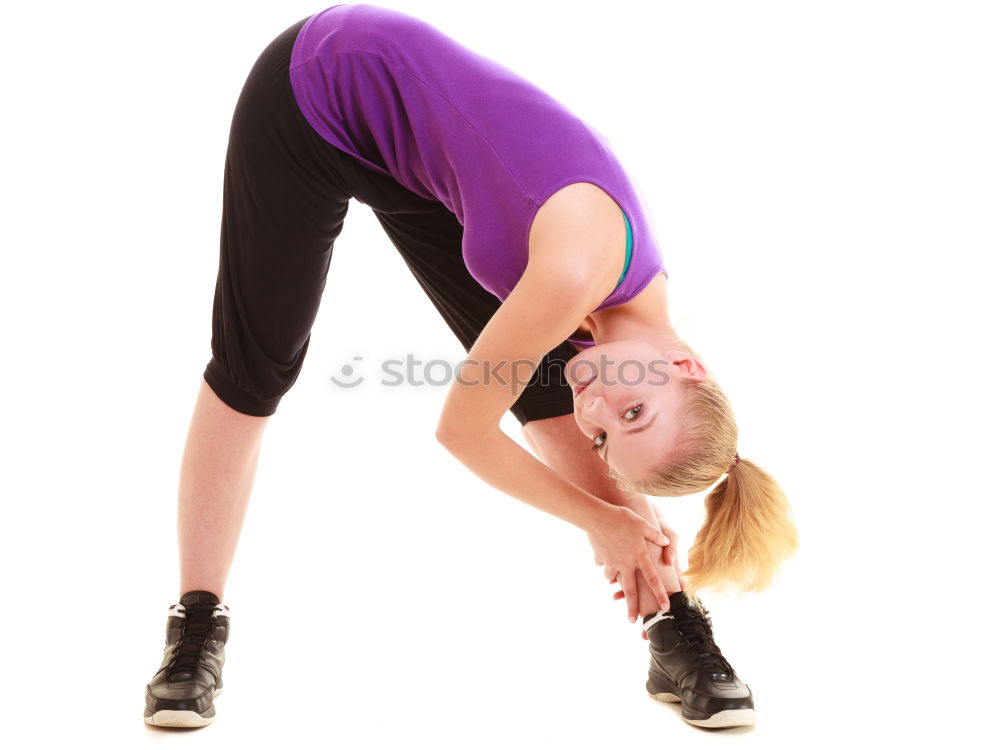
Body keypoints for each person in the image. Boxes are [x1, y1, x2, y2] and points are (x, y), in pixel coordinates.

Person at [143, 3, 798, 731]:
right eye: (635, 410)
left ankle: (675, 626)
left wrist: (614, 516)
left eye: (611, 438)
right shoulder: (576, 271)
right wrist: (600, 519)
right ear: (687, 363)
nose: (600, 413)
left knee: (553, 388)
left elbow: (594, 402)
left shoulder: (631, 331)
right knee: (252, 371)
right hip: (315, 90)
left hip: (415, 166)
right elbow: (462, 431)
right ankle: (194, 627)